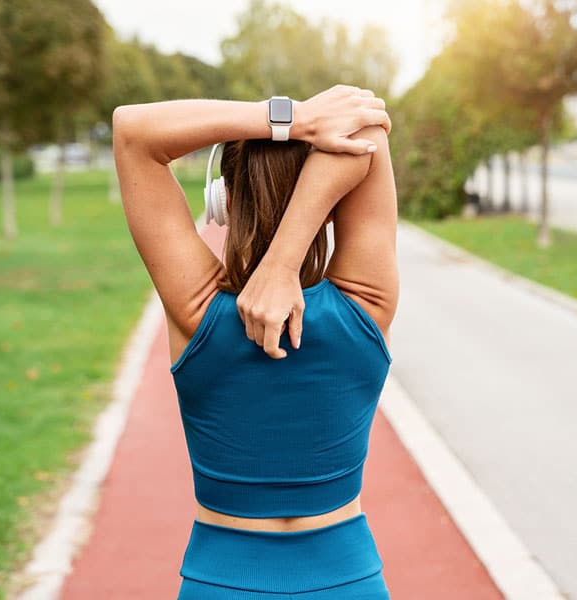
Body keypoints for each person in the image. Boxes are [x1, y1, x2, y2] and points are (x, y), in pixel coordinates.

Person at [112, 84, 399, 599]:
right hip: (348, 582)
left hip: (221, 583)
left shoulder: (196, 310)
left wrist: (291, 120)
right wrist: (285, 259)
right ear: (332, 206)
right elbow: (369, 128)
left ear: (224, 201)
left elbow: (133, 131)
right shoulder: (367, 304)